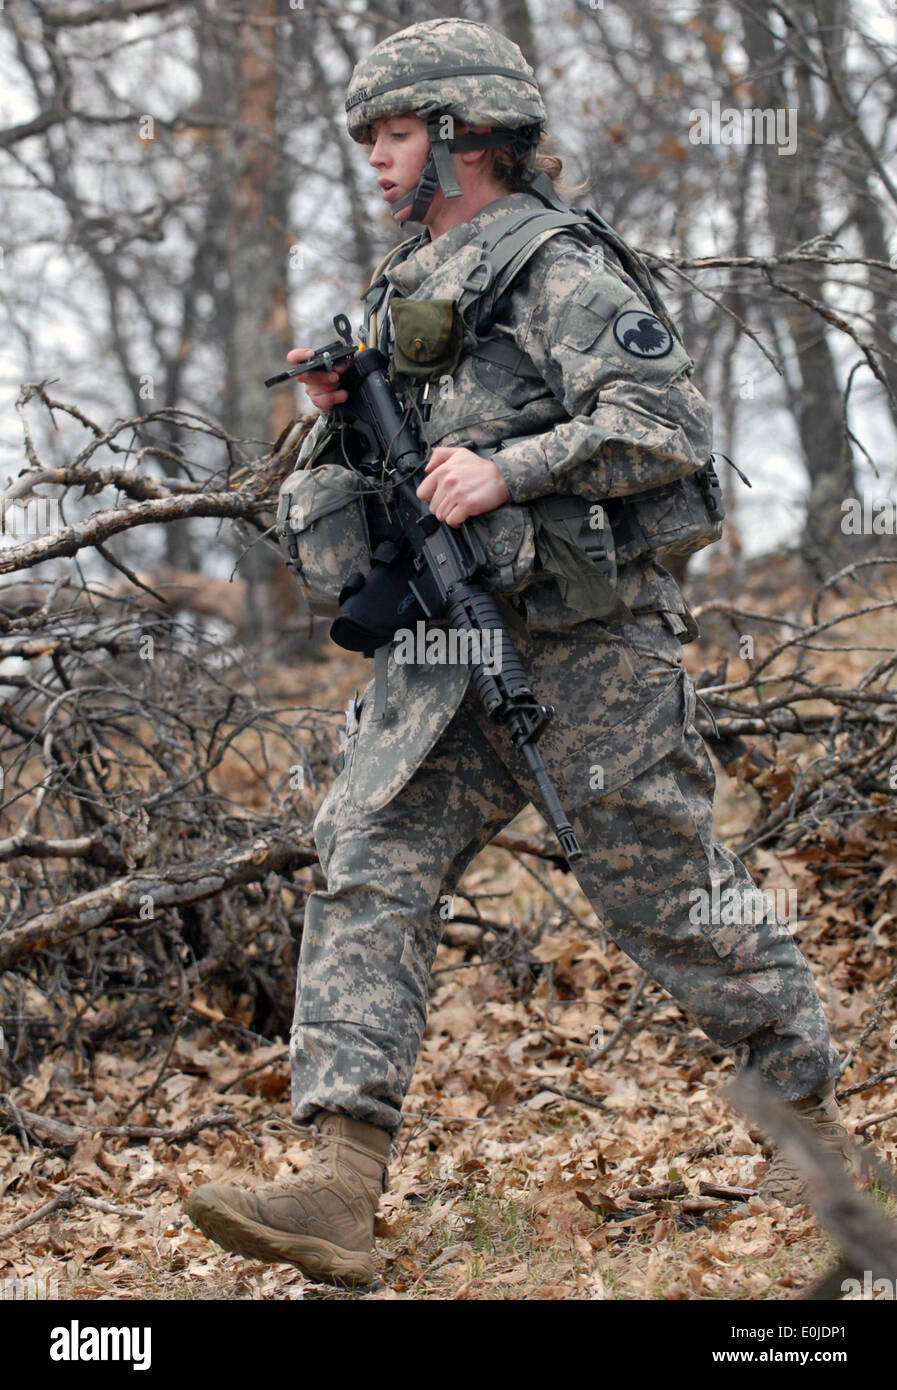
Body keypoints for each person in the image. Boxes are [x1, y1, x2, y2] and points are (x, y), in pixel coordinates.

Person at [187, 18, 855, 1288]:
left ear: (461, 136)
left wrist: (511, 468)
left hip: (586, 645)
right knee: (366, 864)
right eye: (369, 139)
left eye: (391, 135)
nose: (374, 162)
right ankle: (337, 1175)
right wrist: (340, 426)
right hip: (444, 651)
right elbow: (377, 476)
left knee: (660, 881)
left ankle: (812, 1130)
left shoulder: (558, 268)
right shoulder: (402, 286)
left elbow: (669, 426)